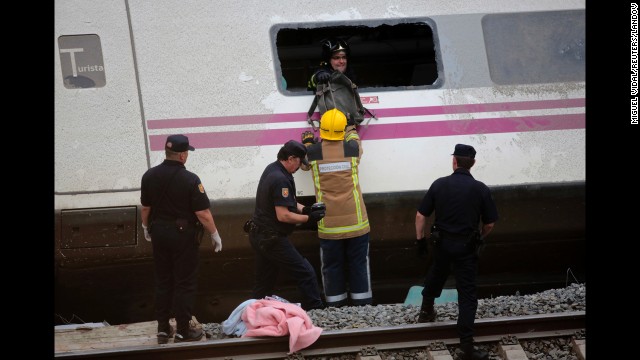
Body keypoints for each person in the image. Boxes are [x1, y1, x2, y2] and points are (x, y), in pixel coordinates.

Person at [414, 144, 498, 360]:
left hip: (441, 244)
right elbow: (489, 224)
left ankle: (426, 311)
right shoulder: (481, 189)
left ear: (454, 161)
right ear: (473, 163)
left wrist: (420, 241)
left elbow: (420, 216)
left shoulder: (439, 185)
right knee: (467, 294)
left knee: (436, 274)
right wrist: (479, 236)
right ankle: (467, 347)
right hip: (466, 247)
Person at [140, 134, 223, 344]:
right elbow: (203, 213)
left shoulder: (149, 176)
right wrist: (214, 234)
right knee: (184, 282)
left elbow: (146, 208)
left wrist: (145, 227)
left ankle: (162, 327)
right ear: (183, 155)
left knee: (163, 280)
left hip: (159, 233)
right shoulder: (191, 179)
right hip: (182, 236)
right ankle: (183, 330)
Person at [300, 108, 372, 307]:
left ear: (321, 130)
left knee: (331, 267)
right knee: (359, 265)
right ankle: (362, 305)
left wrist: (307, 142)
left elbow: (304, 165)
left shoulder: (312, 153)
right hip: (356, 223)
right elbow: (354, 138)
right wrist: (350, 127)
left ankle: (335, 306)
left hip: (329, 226)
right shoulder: (352, 149)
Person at [246, 140, 327, 311]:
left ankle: (251, 315)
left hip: (260, 235)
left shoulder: (273, 169)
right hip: (271, 238)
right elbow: (283, 215)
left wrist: (306, 209)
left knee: (263, 283)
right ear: (291, 158)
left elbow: (288, 202)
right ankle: (317, 312)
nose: (299, 167)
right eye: (299, 162)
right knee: (305, 272)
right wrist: (309, 219)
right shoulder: (280, 179)